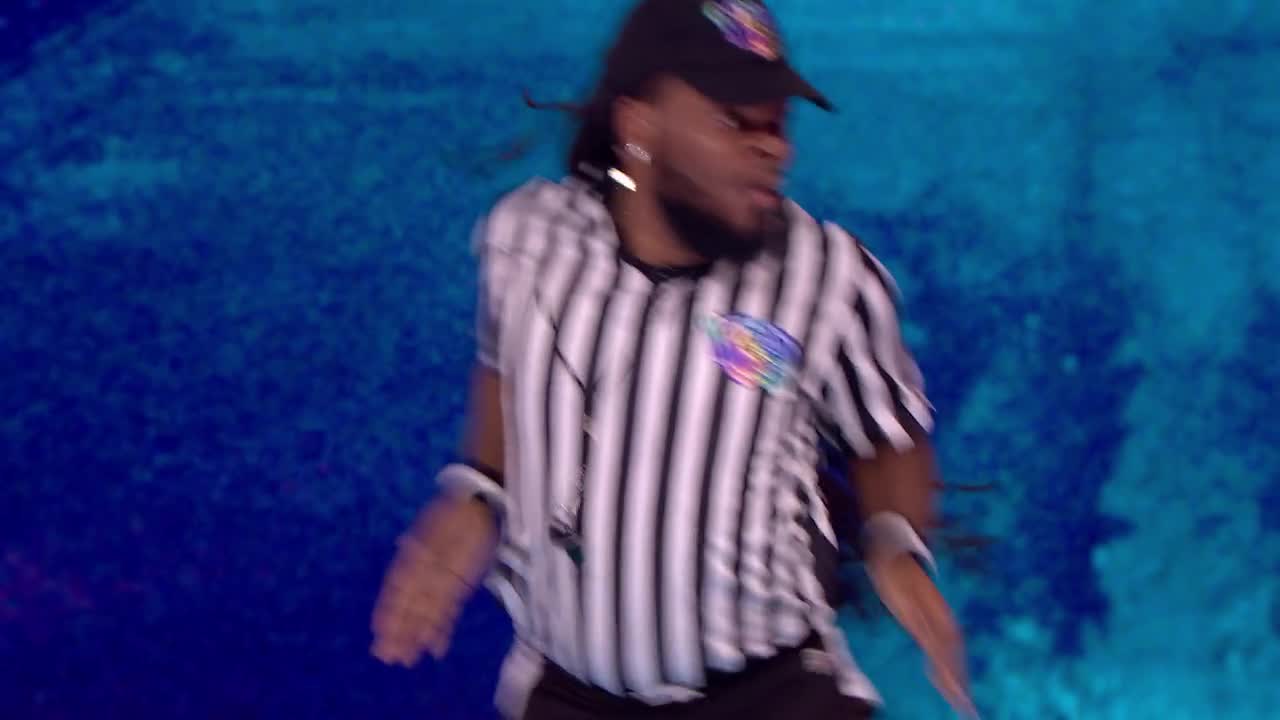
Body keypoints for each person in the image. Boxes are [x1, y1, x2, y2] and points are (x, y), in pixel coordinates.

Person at [371, 0, 978, 718]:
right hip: (571, 695)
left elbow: (888, 433)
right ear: (638, 126)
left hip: (773, 694)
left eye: (777, 124)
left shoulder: (828, 278)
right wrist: (477, 494)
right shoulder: (528, 244)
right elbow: (508, 385)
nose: (774, 149)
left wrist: (894, 542)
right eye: (734, 121)